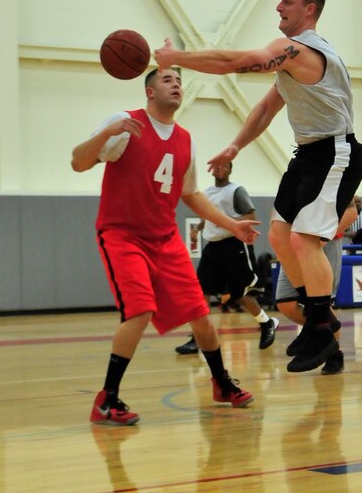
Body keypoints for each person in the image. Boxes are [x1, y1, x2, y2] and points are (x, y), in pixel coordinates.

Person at [155, 0, 362, 373]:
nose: (278, 7)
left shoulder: (299, 50)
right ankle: (318, 317)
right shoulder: (291, 64)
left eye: (286, 1)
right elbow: (267, 109)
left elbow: (235, 62)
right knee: (279, 236)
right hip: (308, 154)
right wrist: (235, 146)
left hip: (336, 151)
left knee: (306, 241)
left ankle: (321, 324)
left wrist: (177, 58)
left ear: (310, 10)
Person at [71, 68, 259, 426]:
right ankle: (106, 399)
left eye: (179, 81)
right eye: (168, 79)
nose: (176, 84)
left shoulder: (185, 139)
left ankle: (221, 383)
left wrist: (232, 224)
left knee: (200, 315)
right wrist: (106, 134)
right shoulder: (126, 122)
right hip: (122, 234)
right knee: (139, 310)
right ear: (149, 90)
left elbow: (191, 194)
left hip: (165, 237)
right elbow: (78, 162)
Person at [174, 160, 279, 354]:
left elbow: (250, 215)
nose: (220, 169)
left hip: (234, 244)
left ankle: (267, 323)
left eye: (224, 166)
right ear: (211, 169)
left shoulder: (236, 190)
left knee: (239, 294)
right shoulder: (207, 192)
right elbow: (208, 216)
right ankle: (198, 337)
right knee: (200, 291)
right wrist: (197, 229)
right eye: (217, 166)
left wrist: (226, 222)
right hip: (212, 246)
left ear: (230, 169)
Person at [276, 200, 357, 375]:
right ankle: (317, 332)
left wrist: (324, 237)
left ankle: (334, 354)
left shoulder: (332, 175)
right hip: (294, 243)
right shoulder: (293, 177)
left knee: (321, 303)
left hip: (322, 242)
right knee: (286, 304)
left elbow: (351, 212)